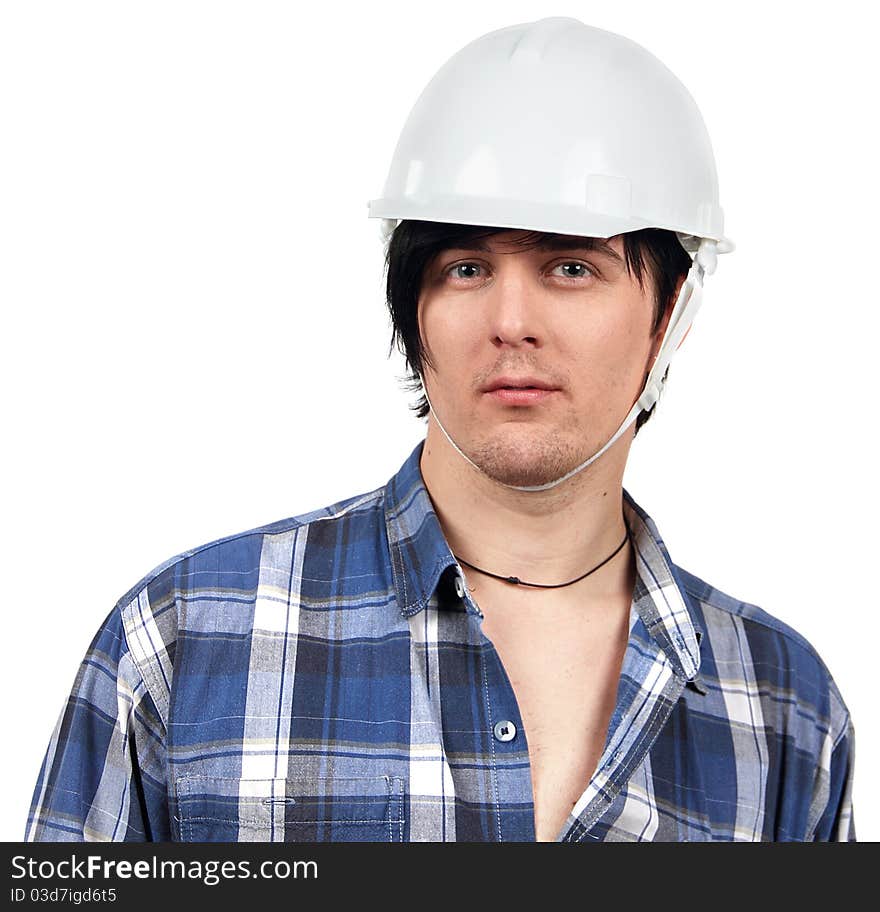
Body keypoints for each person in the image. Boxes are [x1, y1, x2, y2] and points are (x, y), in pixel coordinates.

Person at [26, 16, 855, 843]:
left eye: (571, 266)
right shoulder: (187, 637)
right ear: (413, 307)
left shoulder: (784, 707)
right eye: (466, 268)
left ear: (668, 313)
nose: (511, 321)